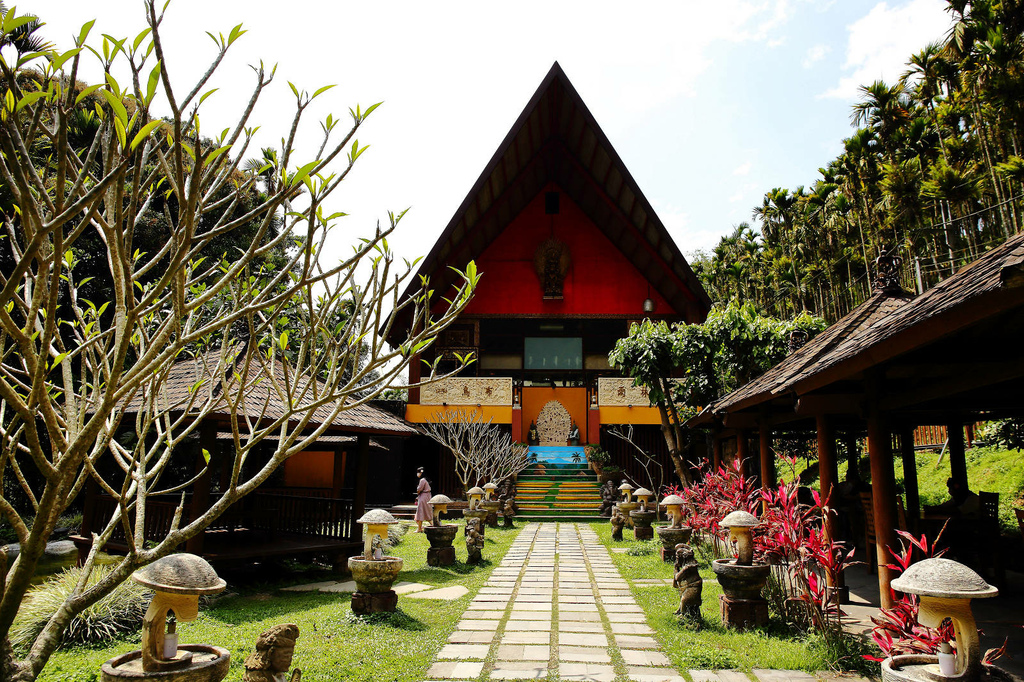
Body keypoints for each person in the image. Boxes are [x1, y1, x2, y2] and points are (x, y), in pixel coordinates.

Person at [414, 467, 432, 532]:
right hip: (427, 496)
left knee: (421, 511)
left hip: (423, 497)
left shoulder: (422, 480)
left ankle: (420, 528)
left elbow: (419, 489)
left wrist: (418, 493)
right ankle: (419, 528)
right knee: (426, 511)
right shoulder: (427, 480)